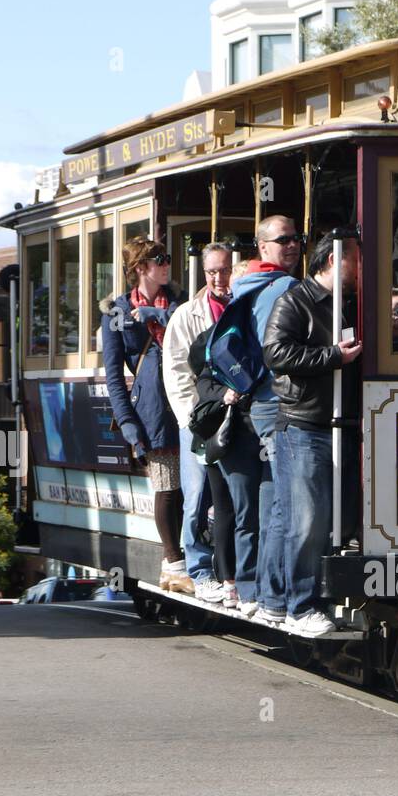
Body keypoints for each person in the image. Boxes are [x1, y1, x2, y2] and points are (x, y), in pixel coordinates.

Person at [260, 229, 362, 637]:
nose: (361, 268)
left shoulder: (349, 305)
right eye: (356, 258)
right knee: (306, 520)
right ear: (335, 260)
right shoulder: (296, 300)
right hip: (303, 424)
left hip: (336, 423)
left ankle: (275, 601)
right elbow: (275, 352)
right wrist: (332, 357)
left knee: (290, 518)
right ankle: (300, 607)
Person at [222, 216, 302, 622]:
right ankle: (275, 594)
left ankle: (257, 588)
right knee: (279, 503)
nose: (292, 245)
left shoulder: (245, 285)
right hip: (277, 401)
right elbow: (285, 349)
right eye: (282, 239)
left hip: (255, 403)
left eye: (296, 238)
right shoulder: (285, 288)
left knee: (263, 501)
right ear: (263, 247)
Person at [102, 236, 189, 592]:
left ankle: (189, 560)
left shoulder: (180, 303)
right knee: (168, 487)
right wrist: (127, 423)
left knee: (194, 489)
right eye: (160, 259)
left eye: (167, 258)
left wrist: (156, 314)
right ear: (141, 269)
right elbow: (113, 376)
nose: (167, 264)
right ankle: (174, 562)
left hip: (187, 399)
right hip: (153, 410)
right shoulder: (117, 312)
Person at [162, 242, 233, 603]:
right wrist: (193, 418)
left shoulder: (242, 308)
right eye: (212, 272)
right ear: (203, 273)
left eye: (225, 270)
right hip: (199, 420)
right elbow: (175, 372)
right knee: (197, 495)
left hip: (238, 418)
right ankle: (200, 570)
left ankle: (227, 571)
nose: (219, 278)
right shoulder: (186, 316)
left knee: (229, 498)